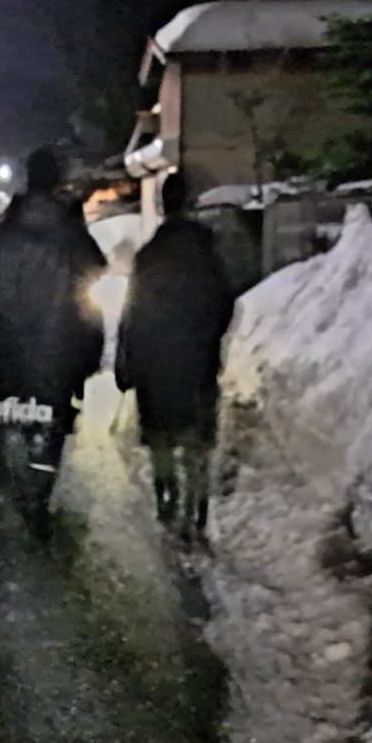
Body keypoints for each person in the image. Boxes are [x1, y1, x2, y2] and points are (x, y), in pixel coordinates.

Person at [115, 169, 236, 545]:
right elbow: (225, 303)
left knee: (162, 436)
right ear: (190, 202)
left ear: (163, 205)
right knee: (197, 441)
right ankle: (196, 508)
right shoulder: (207, 251)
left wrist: (127, 359)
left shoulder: (149, 256)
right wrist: (210, 340)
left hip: (156, 364)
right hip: (198, 361)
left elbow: (133, 314)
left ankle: (165, 492)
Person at [0, 146, 107, 445]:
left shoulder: (1, 233)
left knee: (6, 437)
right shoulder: (72, 232)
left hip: (8, 355)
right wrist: (89, 356)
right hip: (58, 357)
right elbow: (94, 276)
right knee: (50, 437)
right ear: (57, 179)